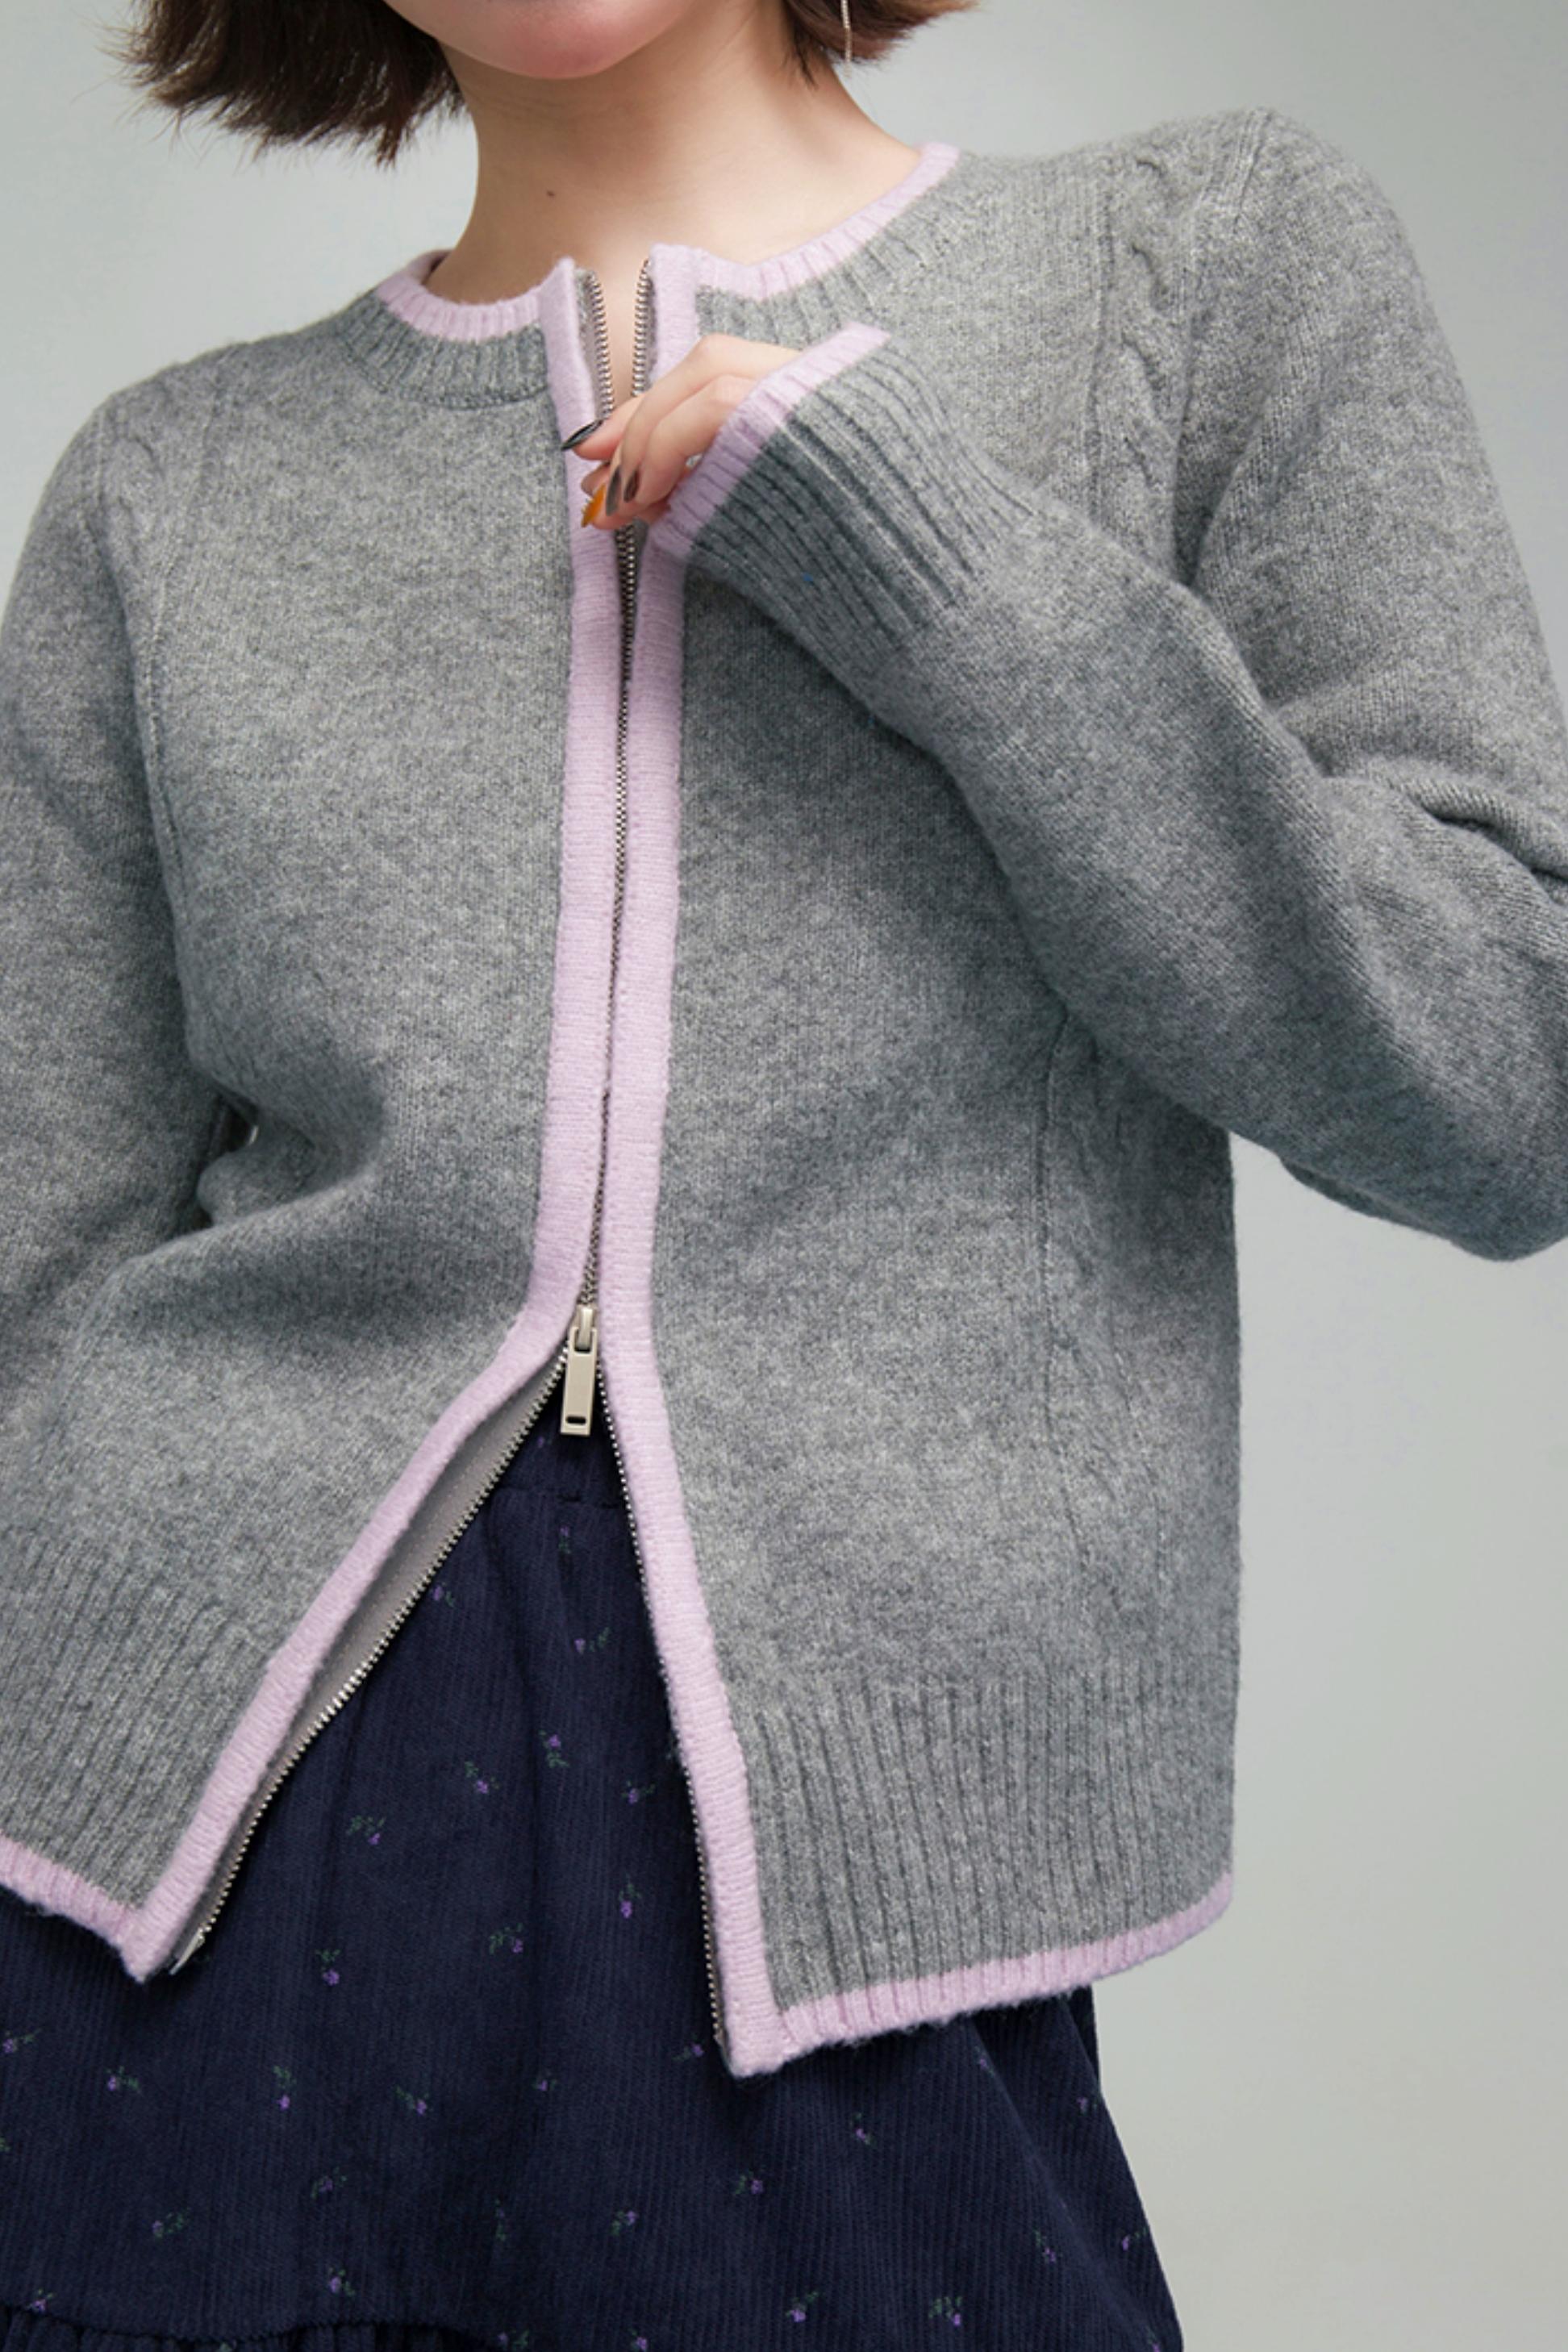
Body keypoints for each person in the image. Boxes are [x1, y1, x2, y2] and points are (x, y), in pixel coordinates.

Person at [3, 0, 1566, 2340]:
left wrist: (927, 559)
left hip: (832, 1953)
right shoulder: (173, 486)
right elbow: (33, 1262)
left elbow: (1502, 1073)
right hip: (161, 1901)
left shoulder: (1206, 268)